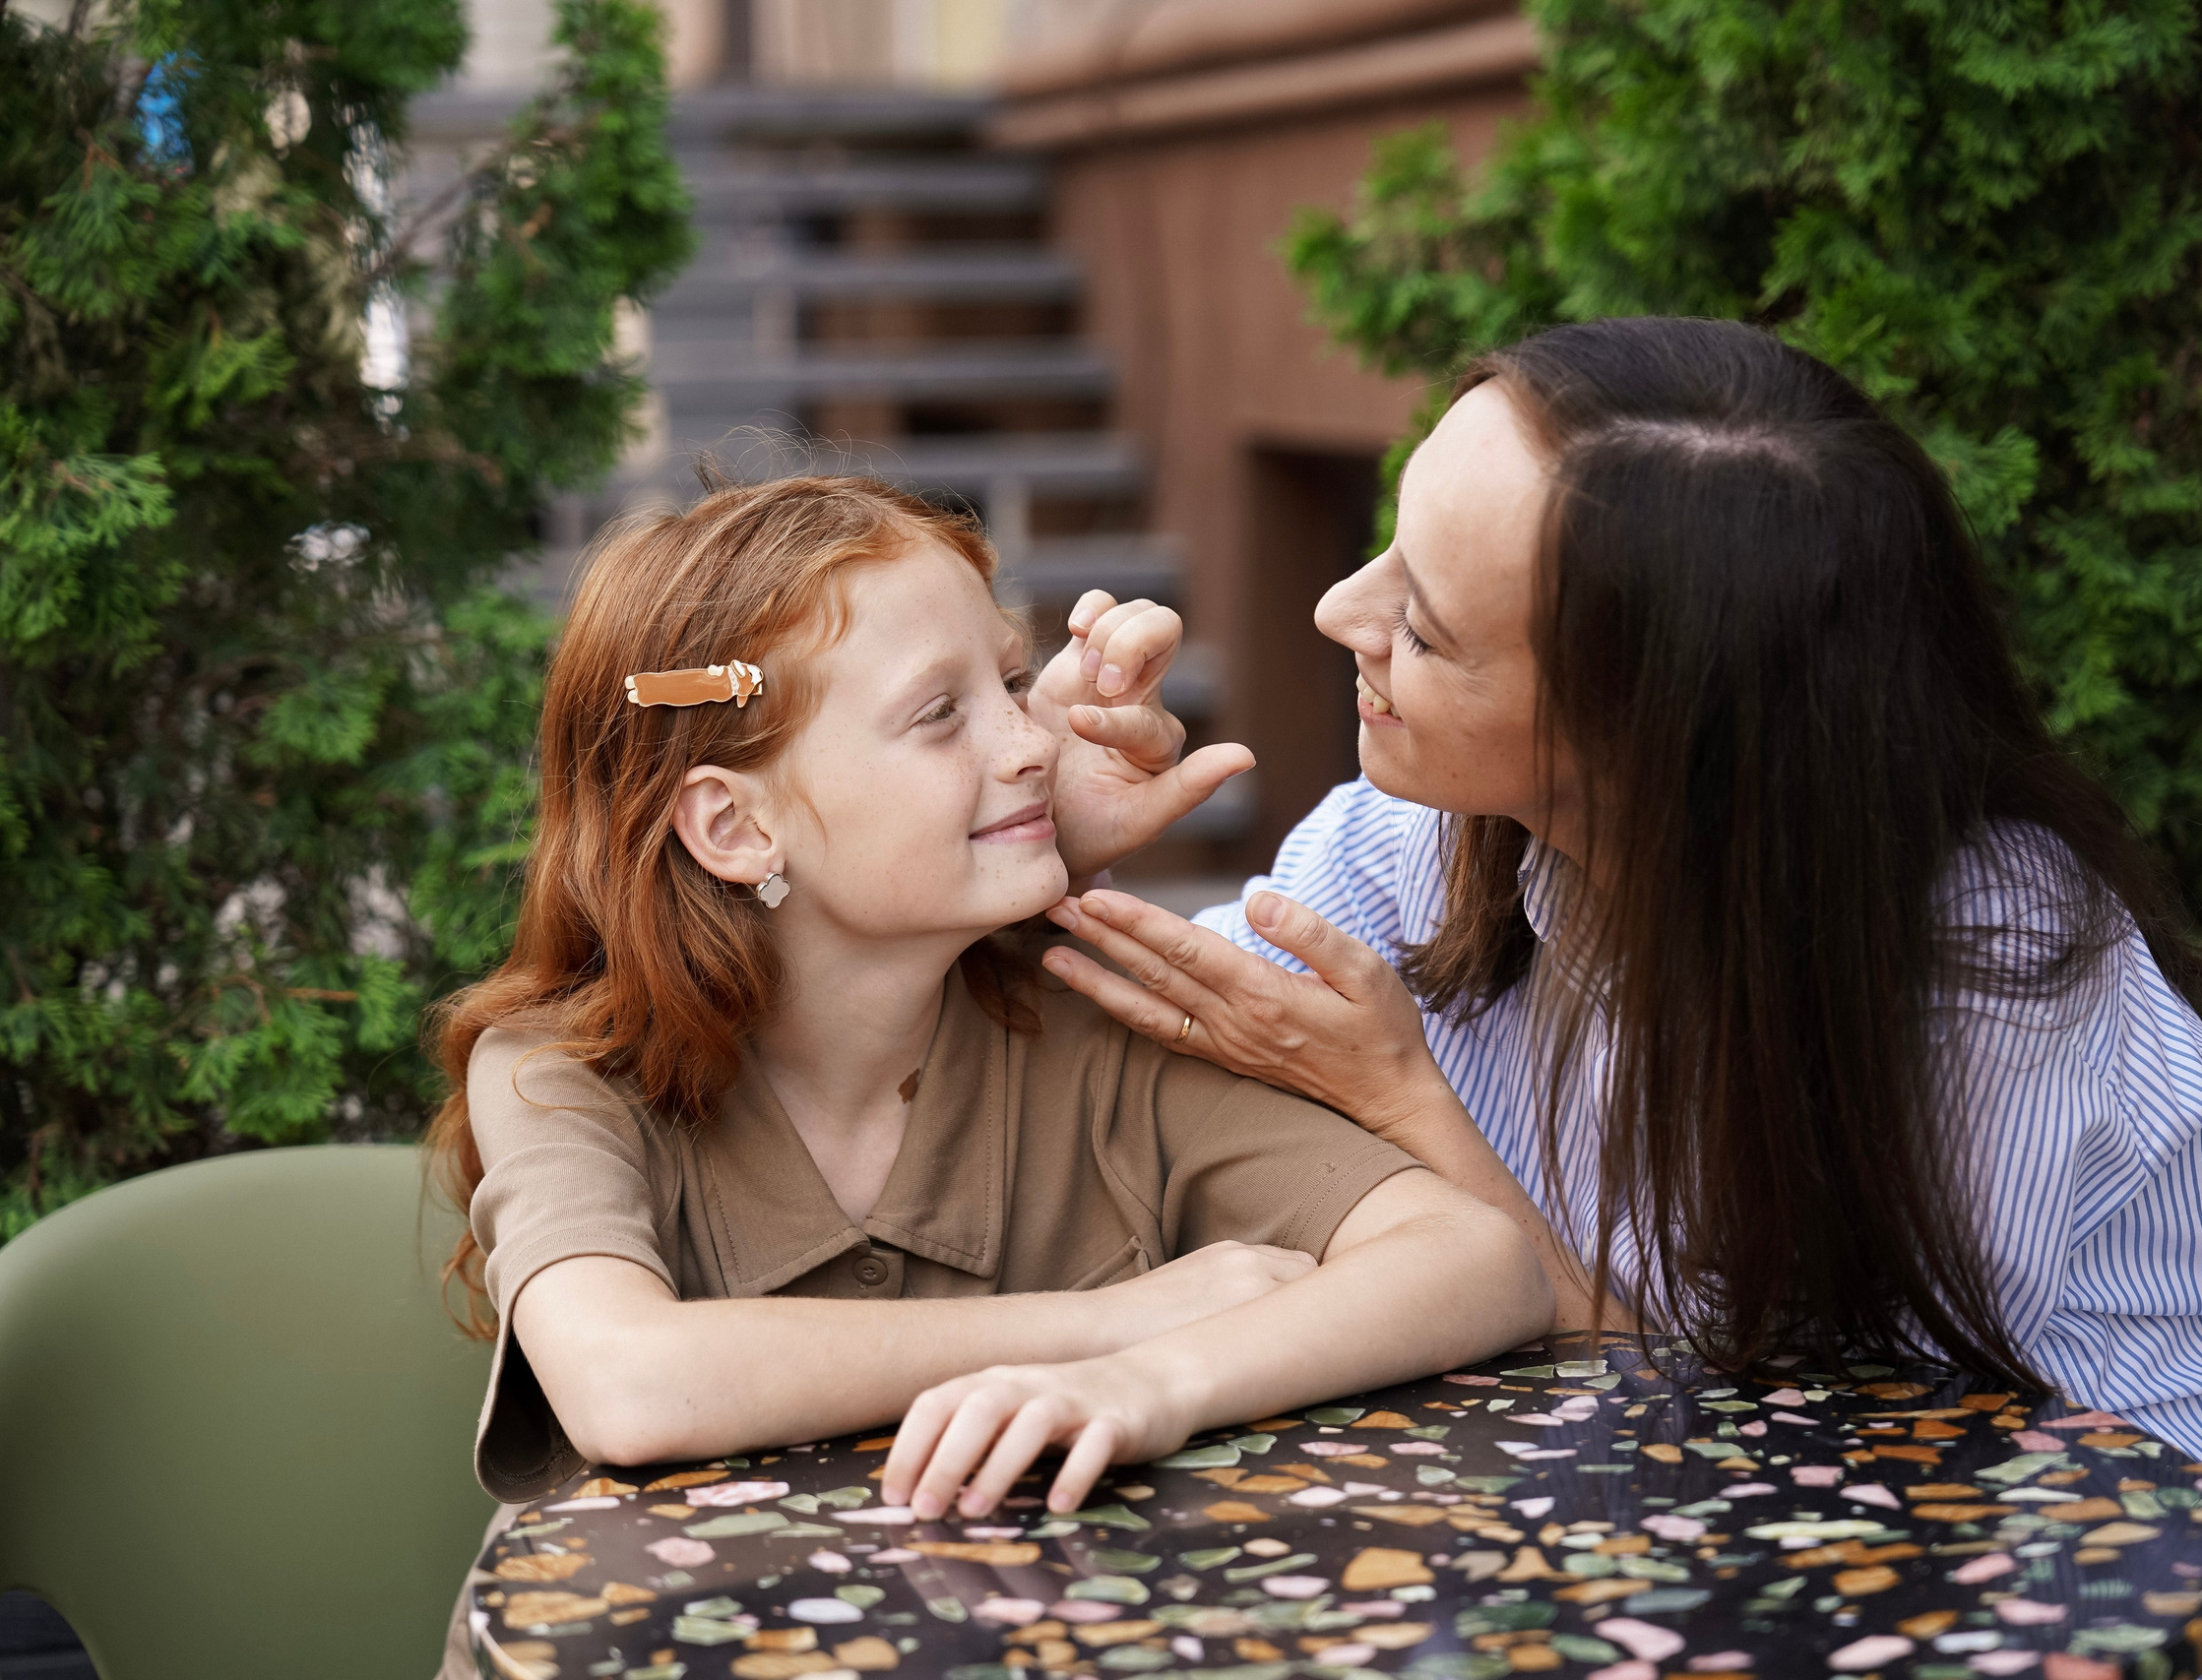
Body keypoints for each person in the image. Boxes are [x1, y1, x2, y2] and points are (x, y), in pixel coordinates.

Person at [1039, 317, 2202, 1679]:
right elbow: (1097, 1053)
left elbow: (1755, 1459)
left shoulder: (1980, 975)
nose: (1334, 608)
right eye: (1386, 547)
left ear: (1654, 733)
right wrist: (1034, 837)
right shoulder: (1416, 840)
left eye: (1426, 626)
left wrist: (1402, 1103)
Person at [420, 474, 1553, 1672]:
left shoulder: (1090, 1023)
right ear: (736, 828)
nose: (1033, 744)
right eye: (938, 715)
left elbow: (1479, 1262)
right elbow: (628, 1383)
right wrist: (1114, 1321)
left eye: (1010, 684)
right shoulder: (563, 1073)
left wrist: (1155, 1380)